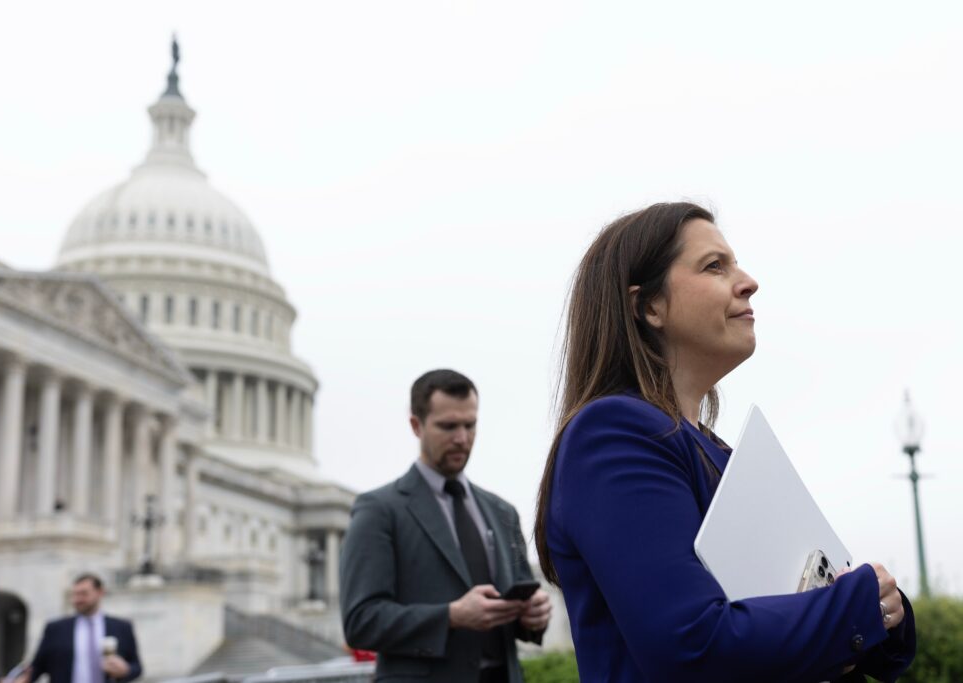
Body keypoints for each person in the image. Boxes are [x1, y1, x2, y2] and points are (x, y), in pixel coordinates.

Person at [533, 202, 917, 682]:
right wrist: (855, 605)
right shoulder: (612, 434)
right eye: (715, 266)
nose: (748, 282)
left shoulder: (714, 450)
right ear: (649, 306)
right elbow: (690, 642)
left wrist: (880, 610)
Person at [340, 369, 551, 683]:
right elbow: (360, 622)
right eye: (448, 426)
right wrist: (451, 616)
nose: (462, 438)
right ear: (416, 425)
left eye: (470, 425)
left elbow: (518, 604)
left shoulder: (502, 511)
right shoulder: (379, 510)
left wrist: (534, 616)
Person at [26, 574, 142, 683]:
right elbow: (37, 667)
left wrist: (126, 670)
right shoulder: (56, 629)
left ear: (100, 592)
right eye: (75, 594)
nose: (77, 599)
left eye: (83, 594)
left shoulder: (122, 627)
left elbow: (137, 668)